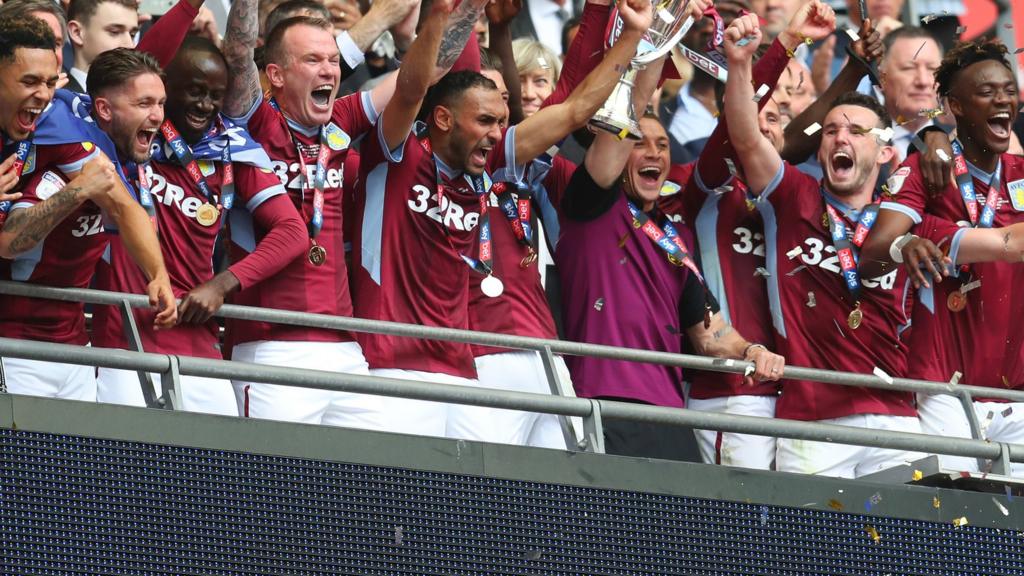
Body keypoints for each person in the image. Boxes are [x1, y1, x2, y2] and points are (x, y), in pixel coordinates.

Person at [350, 0, 658, 440]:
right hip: (390, 364)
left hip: (461, 371)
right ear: (442, 118)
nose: (499, 133)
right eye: (486, 121)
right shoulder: (395, 153)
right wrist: (437, 17)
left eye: (502, 121)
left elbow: (572, 111)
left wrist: (631, 36)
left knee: (502, 501)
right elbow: (411, 90)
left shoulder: (492, 162)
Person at [220, 0, 482, 426]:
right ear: (275, 75)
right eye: (312, 60)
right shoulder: (252, 122)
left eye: (331, 59)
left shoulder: (340, 120)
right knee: (270, 487)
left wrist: (470, 6)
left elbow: (430, 70)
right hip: (271, 343)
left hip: (346, 347)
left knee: (373, 486)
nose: (328, 69)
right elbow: (237, 51)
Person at [723, 7, 929, 478]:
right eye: (831, 130)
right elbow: (746, 139)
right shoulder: (791, 196)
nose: (841, 137)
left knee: (917, 548)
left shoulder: (905, 219)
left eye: (857, 131)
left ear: (885, 153)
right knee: (817, 551)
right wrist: (739, 66)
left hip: (896, 419)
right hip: (811, 422)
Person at [89, 42, 307, 415]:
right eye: (194, 91)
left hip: (200, 344)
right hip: (124, 341)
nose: (205, 105)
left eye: (215, 96)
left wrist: (222, 284)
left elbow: (292, 232)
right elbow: (124, 68)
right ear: (165, 87)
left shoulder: (231, 149)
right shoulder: (125, 139)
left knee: (213, 470)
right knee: (127, 468)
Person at [861, 39, 1024, 476]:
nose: (1003, 100)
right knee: (958, 523)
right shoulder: (924, 170)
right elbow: (871, 257)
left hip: (1017, 391)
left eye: (1009, 90)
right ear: (954, 104)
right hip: (944, 389)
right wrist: (904, 244)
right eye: (988, 92)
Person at [0, 18, 176, 400]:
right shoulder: (60, 134)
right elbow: (10, 241)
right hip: (17, 348)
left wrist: (158, 275)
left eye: (51, 81)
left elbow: (124, 205)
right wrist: (78, 190)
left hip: (75, 349)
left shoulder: (71, 133)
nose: (45, 96)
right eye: (30, 82)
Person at [877, 26, 943, 161]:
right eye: (909, 68)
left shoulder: (962, 142)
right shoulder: (863, 141)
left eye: (932, 69)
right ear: (881, 78)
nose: (923, 81)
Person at [66, 0, 140, 93]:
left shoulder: (136, 98)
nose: (130, 45)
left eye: (132, 34)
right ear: (77, 33)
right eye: (115, 32)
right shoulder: (54, 102)